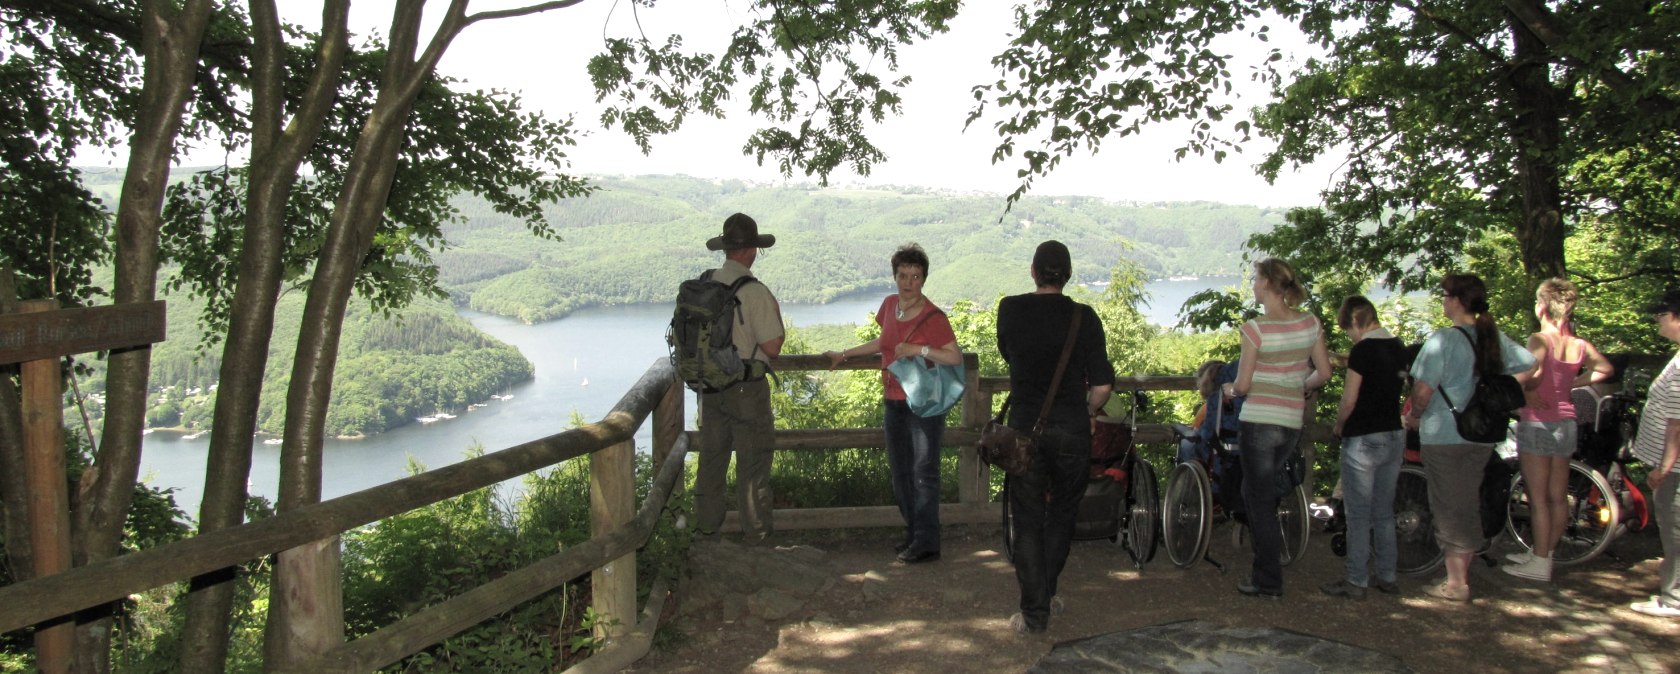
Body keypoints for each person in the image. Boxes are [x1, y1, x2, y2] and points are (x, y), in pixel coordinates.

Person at [995, 240, 1114, 634]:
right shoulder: (1085, 317)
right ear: (1068, 275)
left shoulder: (1010, 309)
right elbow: (1101, 387)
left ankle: (1035, 612)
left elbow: (1011, 357)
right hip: (1072, 434)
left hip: (1026, 430)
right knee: (1062, 514)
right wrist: (1087, 411)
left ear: (1033, 271)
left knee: (1027, 520)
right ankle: (1047, 593)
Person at [824, 243, 961, 564]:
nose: (908, 282)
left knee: (923, 473)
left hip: (922, 404)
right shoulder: (889, 305)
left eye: (915, 276)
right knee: (900, 472)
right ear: (895, 276)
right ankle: (915, 535)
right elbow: (883, 342)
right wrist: (844, 354)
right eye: (902, 275)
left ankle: (927, 542)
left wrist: (919, 350)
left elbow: (953, 356)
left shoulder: (933, 316)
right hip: (893, 401)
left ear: (923, 279)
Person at [1404, 273, 1535, 601]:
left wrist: (1415, 416)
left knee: (1449, 506)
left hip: (1443, 434)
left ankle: (1457, 583)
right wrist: (1491, 395)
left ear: (1458, 301)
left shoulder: (1443, 340)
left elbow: (1422, 390)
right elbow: (1529, 364)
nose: (1443, 300)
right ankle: (1459, 575)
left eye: (1446, 295)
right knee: (1465, 500)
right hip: (1480, 433)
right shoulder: (1491, 337)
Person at [1220, 257, 1330, 599]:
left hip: (1259, 423)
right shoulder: (1309, 323)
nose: (1252, 284)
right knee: (1266, 495)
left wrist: (1229, 390)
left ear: (1267, 283)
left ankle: (1267, 579)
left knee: (1258, 500)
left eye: (1255, 278)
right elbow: (1323, 373)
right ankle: (1269, 568)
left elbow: (1244, 383)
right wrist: (1301, 385)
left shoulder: (1256, 329)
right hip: (1291, 423)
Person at [1504, 278, 1614, 582]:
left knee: (1537, 498)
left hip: (1538, 423)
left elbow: (1525, 373)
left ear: (1542, 305)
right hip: (1567, 422)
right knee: (1557, 497)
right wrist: (1573, 383)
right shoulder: (1578, 344)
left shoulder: (1539, 340)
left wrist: (1522, 393)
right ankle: (1544, 552)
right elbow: (1605, 368)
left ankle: (1540, 563)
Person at [694, 213, 785, 542]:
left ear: (725, 249)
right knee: (753, 466)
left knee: (712, 461)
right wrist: (774, 310)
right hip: (746, 389)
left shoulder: (705, 283)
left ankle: (705, 535)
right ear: (752, 250)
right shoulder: (753, 291)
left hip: (710, 387)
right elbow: (773, 347)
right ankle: (757, 539)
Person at [1320, 295, 1407, 599]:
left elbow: (1350, 398)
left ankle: (1356, 579)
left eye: (1348, 329)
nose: (1350, 335)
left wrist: (1340, 425)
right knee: (1384, 511)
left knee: (1358, 514)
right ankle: (1387, 574)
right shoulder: (1397, 346)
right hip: (1393, 434)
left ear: (1355, 321)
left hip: (1363, 437)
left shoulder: (1363, 350)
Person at [1630, 290, 1680, 618]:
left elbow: (1677, 424)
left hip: (1676, 469)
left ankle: (1673, 598)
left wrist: (1664, 468)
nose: (1656, 320)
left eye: (1662, 314)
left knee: (1674, 526)